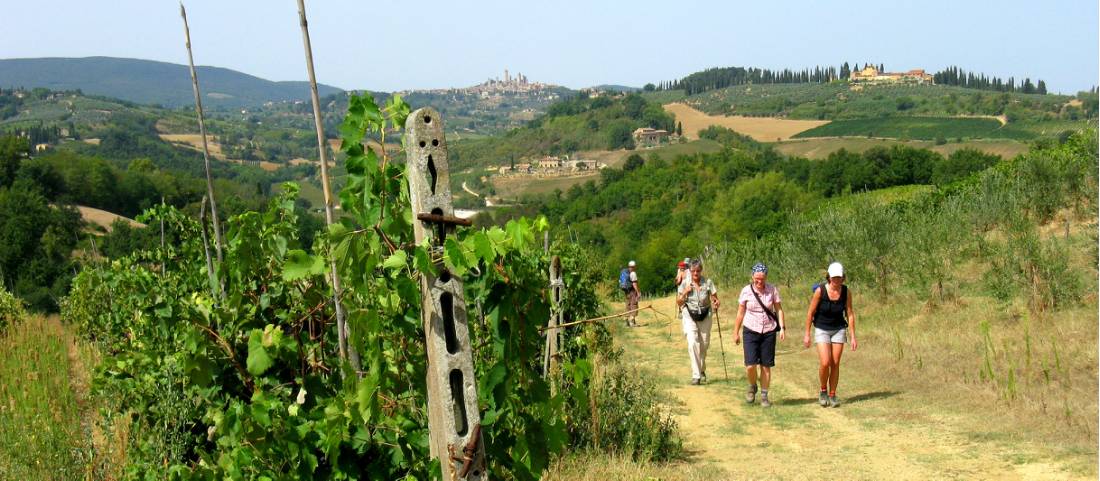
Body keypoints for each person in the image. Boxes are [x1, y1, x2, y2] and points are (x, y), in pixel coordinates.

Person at [803, 262, 858, 408]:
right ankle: (823, 390)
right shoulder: (820, 291)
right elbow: (810, 313)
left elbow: (850, 314)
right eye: (834, 278)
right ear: (829, 277)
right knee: (825, 362)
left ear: (843, 278)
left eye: (839, 278)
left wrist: (853, 336)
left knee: (835, 362)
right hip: (822, 328)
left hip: (839, 329)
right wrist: (807, 334)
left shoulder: (846, 292)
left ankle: (832, 394)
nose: (836, 280)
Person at [734, 263, 786, 407]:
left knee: (765, 366)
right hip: (750, 329)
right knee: (750, 365)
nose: (759, 282)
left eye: (762, 279)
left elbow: (779, 310)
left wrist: (782, 327)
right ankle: (752, 386)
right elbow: (740, 312)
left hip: (769, 330)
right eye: (756, 279)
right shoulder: (746, 291)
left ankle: (764, 396)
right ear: (752, 277)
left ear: (766, 277)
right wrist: (736, 332)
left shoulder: (772, 290)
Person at [677, 259, 720, 385]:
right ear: (690, 271)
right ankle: (696, 375)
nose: (696, 273)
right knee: (692, 343)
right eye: (693, 270)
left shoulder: (708, 282)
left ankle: (701, 370)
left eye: (698, 270)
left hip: (705, 315)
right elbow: (679, 302)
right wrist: (685, 292)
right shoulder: (685, 283)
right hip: (689, 315)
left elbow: (715, 299)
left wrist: (716, 303)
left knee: (704, 344)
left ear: (701, 271)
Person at [624, 260, 640, 327]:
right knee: (634, 305)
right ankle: (632, 322)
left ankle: (626, 321)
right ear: (634, 266)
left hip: (626, 291)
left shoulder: (625, 272)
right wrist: (638, 292)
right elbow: (634, 284)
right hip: (632, 291)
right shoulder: (633, 273)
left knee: (628, 305)